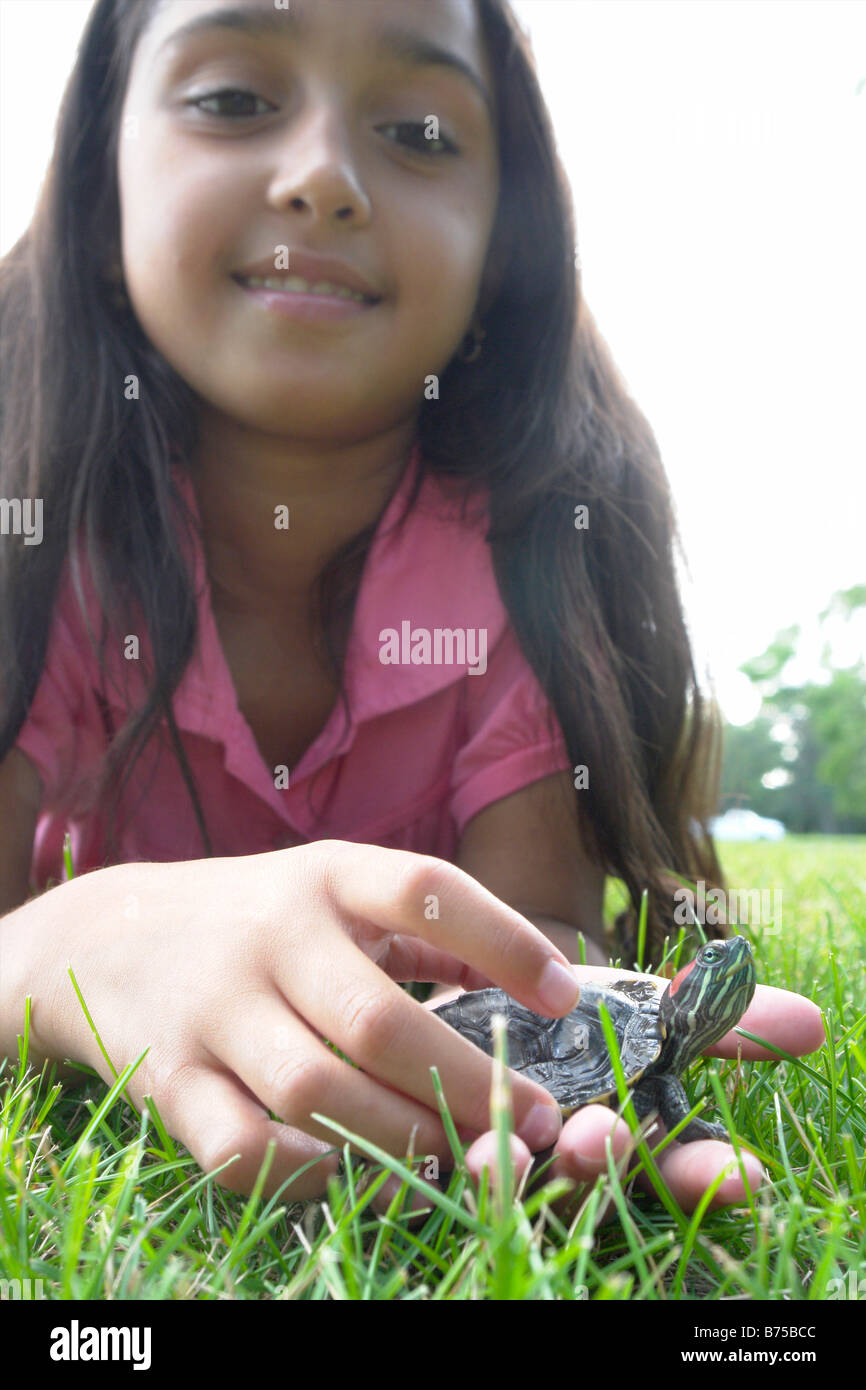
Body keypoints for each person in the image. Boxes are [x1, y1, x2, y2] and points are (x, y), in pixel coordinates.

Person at [0, 0, 822, 1215]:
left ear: (503, 246)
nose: (323, 177)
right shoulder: (39, 525)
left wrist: (502, 1026)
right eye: (234, 100)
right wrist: (86, 933)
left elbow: (545, 947)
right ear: (95, 177)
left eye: (421, 130)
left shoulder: (532, 559)